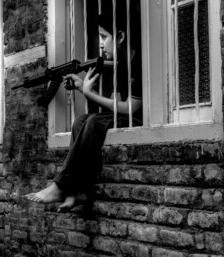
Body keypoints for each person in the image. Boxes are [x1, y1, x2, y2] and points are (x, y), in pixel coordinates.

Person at [26, 12, 142, 212]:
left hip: (142, 119)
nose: (101, 44)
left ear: (120, 36)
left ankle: (60, 186)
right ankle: (78, 192)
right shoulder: (122, 65)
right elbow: (118, 103)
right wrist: (83, 88)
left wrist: (90, 94)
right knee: (81, 120)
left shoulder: (137, 62)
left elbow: (132, 108)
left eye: (104, 37)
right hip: (128, 115)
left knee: (94, 122)